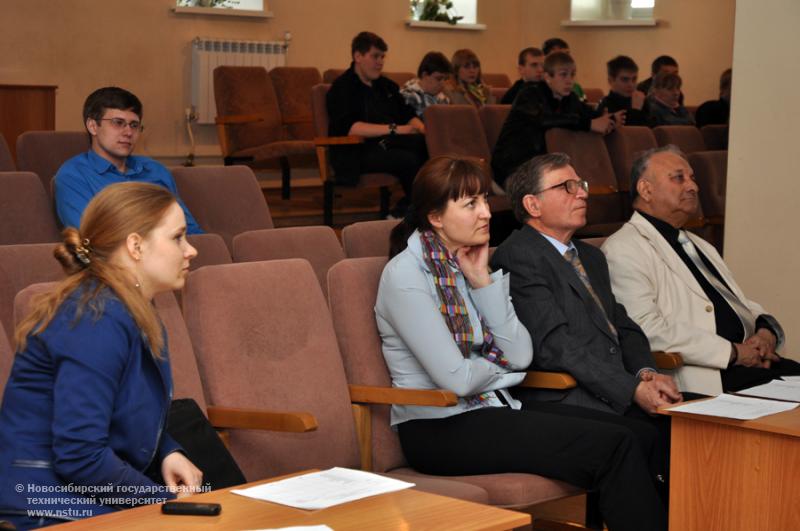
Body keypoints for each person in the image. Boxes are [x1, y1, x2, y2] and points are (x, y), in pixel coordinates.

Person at [378, 155, 666, 531]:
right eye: (470, 204)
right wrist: (503, 373)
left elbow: (521, 354)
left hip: (493, 409)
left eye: (484, 200)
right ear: (435, 217)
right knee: (615, 445)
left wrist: (482, 282)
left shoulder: (466, 266)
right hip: (438, 428)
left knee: (640, 433)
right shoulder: (405, 276)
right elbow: (458, 380)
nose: (486, 213)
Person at [0, 182, 202, 529]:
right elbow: (79, 456)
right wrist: (166, 504)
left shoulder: (127, 308)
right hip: (41, 503)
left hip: (73, 493)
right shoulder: (96, 318)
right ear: (136, 246)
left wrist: (168, 449)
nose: (191, 250)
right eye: (178, 237)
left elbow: (120, 409)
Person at [490, 153, 687, 502]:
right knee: (653, 437)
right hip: (566, 394)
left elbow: (625, 327)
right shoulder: (519, 255)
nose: (582, 193)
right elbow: (556, 345)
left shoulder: (590, 255)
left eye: (580, 185)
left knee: (700, 427)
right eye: (567, 187)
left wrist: (645, 373)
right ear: (532, 204)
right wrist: (629, 390)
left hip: (614, 388)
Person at [602, 146, 800, 395]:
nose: (693, 187)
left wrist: (765, 332)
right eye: (678, 178)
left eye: (692, 178)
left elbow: (736, 302)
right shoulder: (624, 249)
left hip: (754, 365)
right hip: (710, 376)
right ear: (646, 189)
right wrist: (733, 352)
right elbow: (645, 330)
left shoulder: (697, 244)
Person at [54, 87, 203, 234]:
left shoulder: (156, 170)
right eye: (118, 123)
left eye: (134, 125)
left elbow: (190, 230)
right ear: (93, 126)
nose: (128, 132)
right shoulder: (73, 176)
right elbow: (94, 240)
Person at [326, 31, 427, 217]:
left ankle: (409, 208)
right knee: (408, 160)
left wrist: (422, 129)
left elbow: (408, 114)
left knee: (428, 146)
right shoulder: (342, 88)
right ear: (358, 56)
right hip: (357, 151)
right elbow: (350, 128)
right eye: (375, 56)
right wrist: (395, 129)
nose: (380, 62)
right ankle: (414, 211)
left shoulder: (386, 86)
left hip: (390, 145)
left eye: (382, 57)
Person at [491, 52, 622, 187]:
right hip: (512, 169)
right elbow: (544, 119)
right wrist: (589, 124)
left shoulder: (569, 98)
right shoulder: (529, 93)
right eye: (563, 74)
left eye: (572, 74)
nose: (569, 80)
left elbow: (590, 115)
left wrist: (609, 120)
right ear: (547, 77)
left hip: (543, 168)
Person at [597, 55, 648, 126]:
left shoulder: (641, 101)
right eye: (625, 80)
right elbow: (630, 135)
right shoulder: (606, 106)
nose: (631, 84)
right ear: (611, 81)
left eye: (634, 79)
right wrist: (635, 111)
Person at [400, 51, 452, 118]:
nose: (443, 84)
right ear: (424, 75)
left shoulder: (442, 97)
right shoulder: (408, 96)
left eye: (445, 79)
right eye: (438, 78)